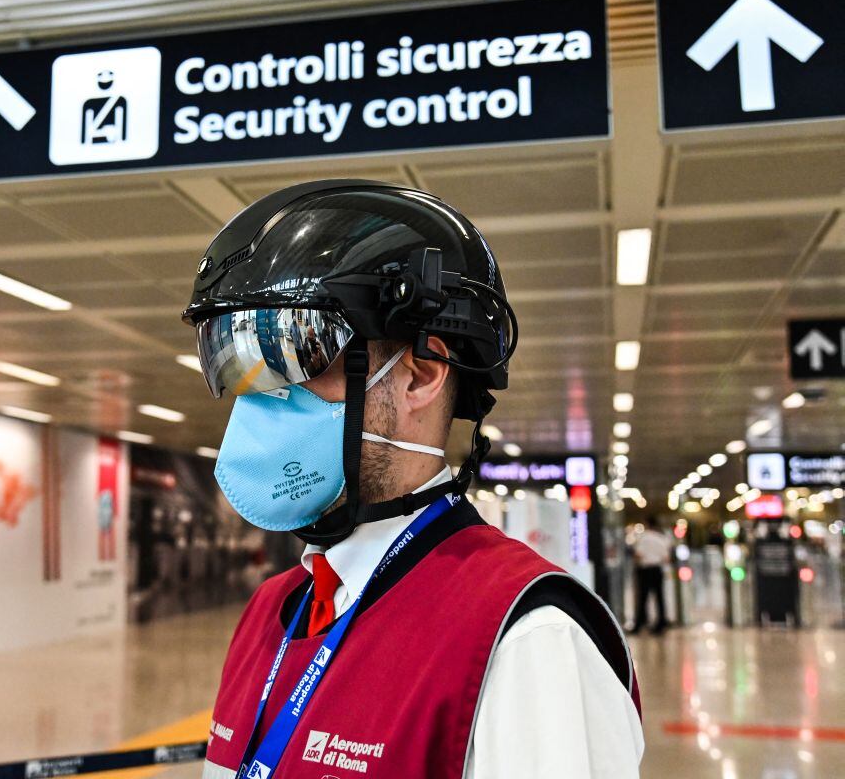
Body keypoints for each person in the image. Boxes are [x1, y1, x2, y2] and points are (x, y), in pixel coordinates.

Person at [182, 181, 643, 779]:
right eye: (242, 366)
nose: (261, 397)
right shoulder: (272, 611)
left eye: (300, 356)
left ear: (419, 378)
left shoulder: (526, 637)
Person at [630, 516, 671, 635]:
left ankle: (640, 623)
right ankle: (661, 623)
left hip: (645, 570)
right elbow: (666, 558)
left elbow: (638, 554)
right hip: (657, 570)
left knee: (642, 598)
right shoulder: (662, 538)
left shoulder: (644, 538)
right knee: (659, 597)